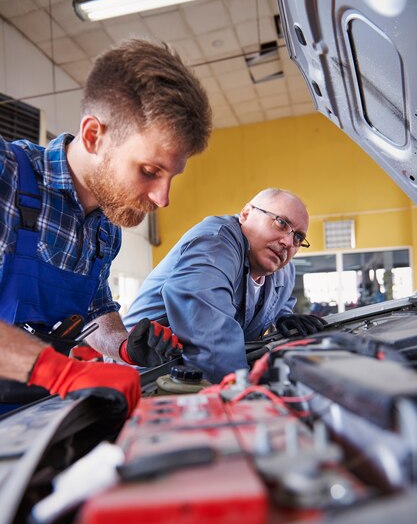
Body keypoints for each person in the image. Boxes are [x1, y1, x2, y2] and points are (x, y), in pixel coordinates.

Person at [0, 38, 212, 411]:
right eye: (149, 171)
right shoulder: (8, 176)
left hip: (35, 415)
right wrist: (58, 371)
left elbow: (93, 312)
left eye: (170, 177)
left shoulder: (106, 225)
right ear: (93, 136)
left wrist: (124, 345)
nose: (162, 199)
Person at [124, 188, 326, 383]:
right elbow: (213, 344)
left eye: (298, 237)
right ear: (246, 214)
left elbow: (278, 306)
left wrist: (285, 318)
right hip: (143, 376)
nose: (288, 242)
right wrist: (245, 396)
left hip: (197, 374)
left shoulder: (282, 269)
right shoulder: (215, 244)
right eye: (281, 223)